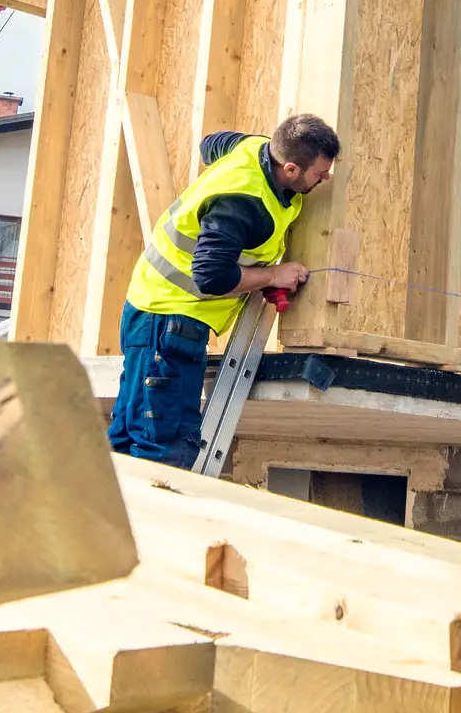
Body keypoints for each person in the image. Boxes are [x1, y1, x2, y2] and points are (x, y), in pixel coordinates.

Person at [108, 114, 340, 468]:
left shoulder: (253, 148)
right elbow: (211, 277)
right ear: (290, 169)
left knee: (131, 436)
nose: (325, 178)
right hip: (170, 318)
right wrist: (271, 276)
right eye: (319, 173)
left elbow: (210, 144)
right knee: (164, 448)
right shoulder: (242, 203)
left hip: (150, 310)